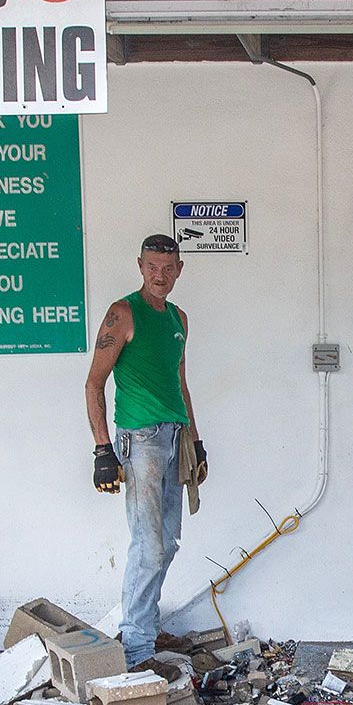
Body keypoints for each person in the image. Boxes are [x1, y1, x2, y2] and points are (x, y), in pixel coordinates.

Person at [87, 234, 205, 666]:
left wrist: (196, 439)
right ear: (140, 266)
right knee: (148, 546)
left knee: (168, 543)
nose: (160, 276)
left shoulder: (179, 318)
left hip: (175, 437)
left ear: (179, 269)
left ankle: (146, 628)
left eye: (168, 268)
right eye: (152, 267)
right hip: (140, 440)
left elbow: (180, 383)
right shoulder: (122, 313)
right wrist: (103, 450)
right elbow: (94, 383)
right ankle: (136, 648)